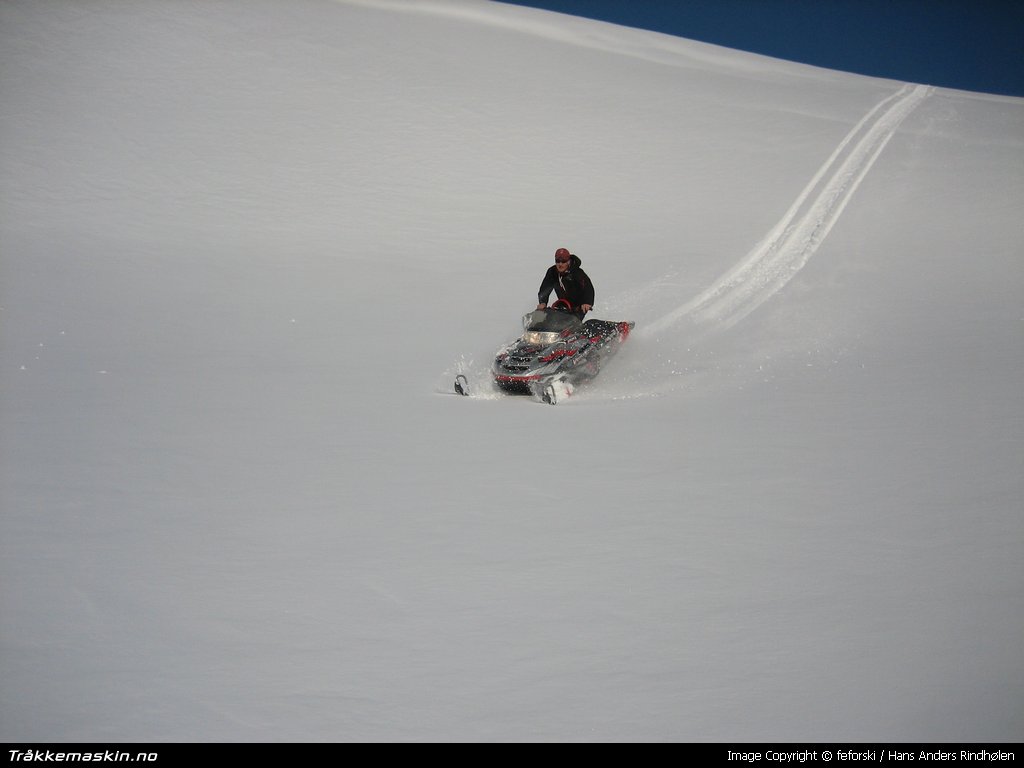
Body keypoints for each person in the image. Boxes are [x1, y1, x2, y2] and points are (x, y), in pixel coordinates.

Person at [537, 247, 594, 317]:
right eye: (557, 261)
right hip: (563, 305)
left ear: (568, 261)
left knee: (572, 323)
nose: (560, 264)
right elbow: (545, 287)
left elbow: (588, 288)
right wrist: (543, 302)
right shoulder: (552, 272)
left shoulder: (577, 273)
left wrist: (587, 302)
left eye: (563, 261)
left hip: (579, 307)